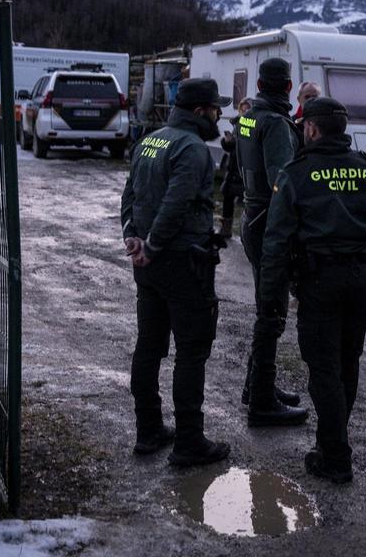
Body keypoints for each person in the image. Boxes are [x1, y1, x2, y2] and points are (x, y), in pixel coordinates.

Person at [259, 96, 366, 483]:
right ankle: (329, 441)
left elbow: (275, 242)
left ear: (311, 129)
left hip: (319, 282)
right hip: (360, 280)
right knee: (347, 364)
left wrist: (269, 300)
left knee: (323, 370)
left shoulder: (296, 172)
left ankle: (336, 455)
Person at [121, 77, 232, 466]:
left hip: (149, 267)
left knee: (149, 345)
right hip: (183, 262)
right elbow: (176, 203)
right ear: (201, 111)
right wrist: (150, 245)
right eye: (217, 108)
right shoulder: (193, 149)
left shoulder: (151, 139)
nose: (220, 114)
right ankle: (189, 442)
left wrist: (132, 237)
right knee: (191, 351)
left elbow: (130, 194)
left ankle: (149, 430)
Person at [234, 57, 308, 426]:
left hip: (252, 217)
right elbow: (284, 183)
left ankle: (257, 384)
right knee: (272, 312)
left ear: (260, 85)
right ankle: (261, 400)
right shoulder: (277, 123)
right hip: (269, 224)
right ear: (290, 88)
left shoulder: (249, 116)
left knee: (267, 305)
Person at [218, 97, 251, 239]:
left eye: (247, 109)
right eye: (242, 109)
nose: (244, 112)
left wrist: (234, 142)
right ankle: (226, 229)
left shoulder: (254, 125)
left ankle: (248, 232)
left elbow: (248, 145)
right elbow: (230, 147)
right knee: (227, 198)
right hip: (233, 168)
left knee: (248, 203)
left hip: (245, 169)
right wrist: (227, 141)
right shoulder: (237, 123)